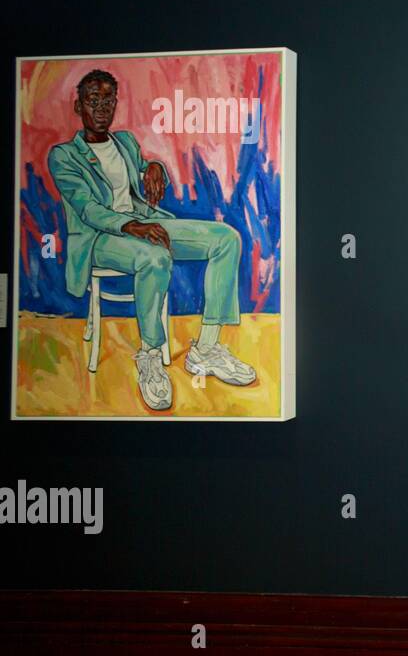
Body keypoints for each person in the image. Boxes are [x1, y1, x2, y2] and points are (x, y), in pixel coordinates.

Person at [47, 69, 258, 410]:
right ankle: (149, 356)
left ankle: (205, 349)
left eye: (108, 100)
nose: (101, 108)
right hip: (99, 239)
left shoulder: (126, 142)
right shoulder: (63, 156)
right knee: (155, 257)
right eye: (93, 100)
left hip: (143, 225)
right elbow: (88, 209)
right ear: (78, 107)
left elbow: (140, 169)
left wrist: (154, 166)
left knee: (226, 239)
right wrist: (132, 225)